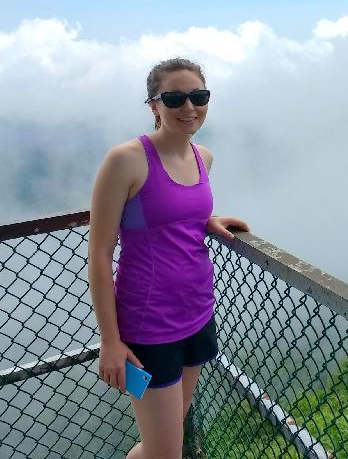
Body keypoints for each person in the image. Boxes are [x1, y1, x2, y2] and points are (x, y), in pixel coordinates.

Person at [87, 57, 249, 459]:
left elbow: (172, 213)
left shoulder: (203, 157)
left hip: (197, 313)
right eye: (175, 98)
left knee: (169, 433)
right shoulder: (125, 159)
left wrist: (205, 220)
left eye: (198, 96)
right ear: (154, 105)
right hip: (148, 326)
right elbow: (99, 254)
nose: (188, 107)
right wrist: (110, 340)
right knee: (165, 452)